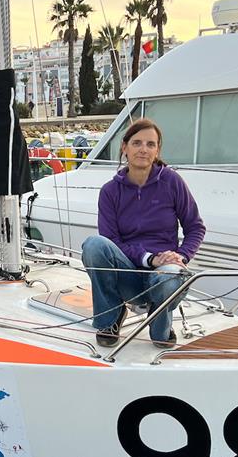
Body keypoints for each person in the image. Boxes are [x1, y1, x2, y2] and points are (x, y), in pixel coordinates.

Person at [82, 119, 205, 348]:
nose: (143, 149)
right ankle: (111, 317)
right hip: (127, 272)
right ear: (124, 147)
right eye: (137, 143)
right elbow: (111, 241)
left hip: (163, 271)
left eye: (150, 144)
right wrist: (148, 258)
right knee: (94, 245)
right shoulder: (110, 192)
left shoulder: (172, 182)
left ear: (157, 150)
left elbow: (195, 227)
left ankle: (161, 326)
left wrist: (180, 256)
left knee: (170, 276)